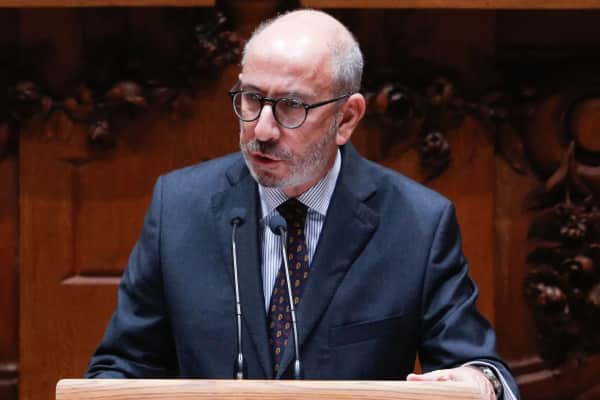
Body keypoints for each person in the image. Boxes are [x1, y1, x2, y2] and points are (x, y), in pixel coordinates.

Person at [85, 9, 519, 400]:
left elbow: (480, 369)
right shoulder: (179, 208)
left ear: (346, 118)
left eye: (291, 106)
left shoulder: (418, 225)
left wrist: (480, 382)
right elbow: (121, 367)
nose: (262, 130)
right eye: (251, 98)